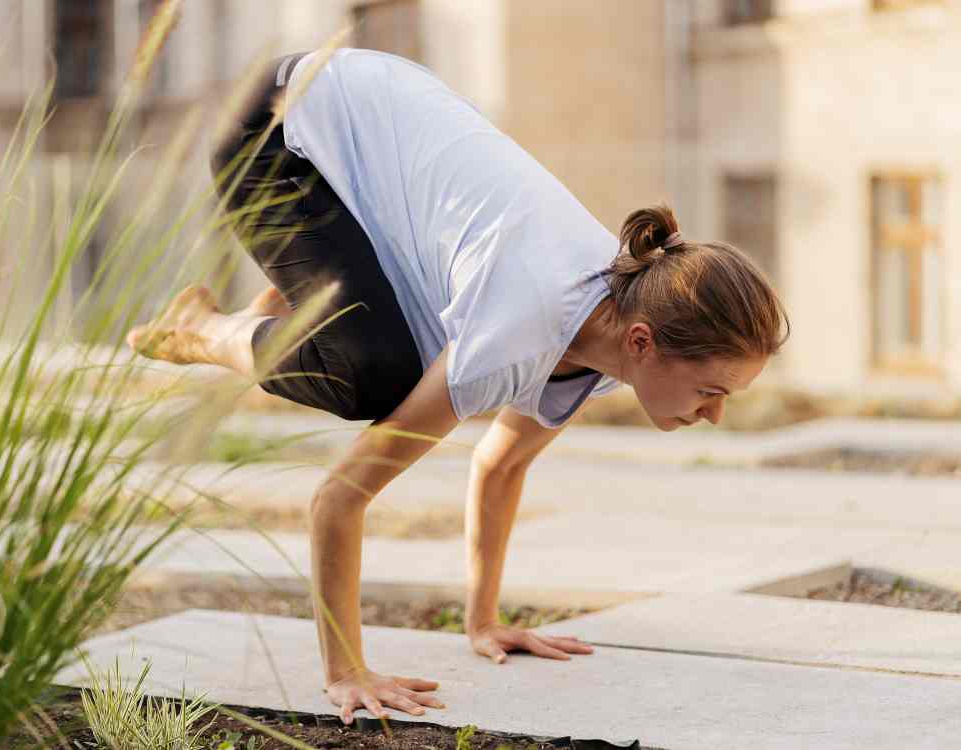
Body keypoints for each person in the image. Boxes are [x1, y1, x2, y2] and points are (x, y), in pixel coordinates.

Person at [127, 47, 789, 726]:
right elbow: (339, 498)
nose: (712, 415)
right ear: (644, 342)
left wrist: (483, 622)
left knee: (399, 350)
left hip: (364, 116)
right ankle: (208, 331)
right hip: (275, 128)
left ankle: (295, 318)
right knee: (374, 379)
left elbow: (500, 466)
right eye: (712, 391)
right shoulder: (521, 324)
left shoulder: (607, 337)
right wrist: (346, 671)